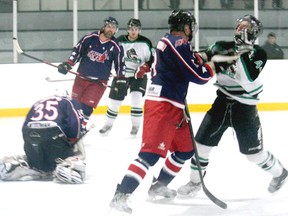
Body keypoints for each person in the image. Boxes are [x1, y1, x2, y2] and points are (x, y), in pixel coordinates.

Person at [108, 10, 233, 215]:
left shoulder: (171, 42)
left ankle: (159, 186)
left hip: (174, 105)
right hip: (163, 106)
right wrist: (215, 65)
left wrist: (206, 56)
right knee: (149, 155)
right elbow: (199, 76)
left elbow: (190, 61)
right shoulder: (178, 43)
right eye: (190, 25)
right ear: (185, 27)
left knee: (185, 149)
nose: (192, 29)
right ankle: (121, 195)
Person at [177, 15, 288, 198]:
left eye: (245, 27)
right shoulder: (221, 47)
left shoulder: (259, 53)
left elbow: (247, 78)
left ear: (253, 32)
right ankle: (195, 182)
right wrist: (177, 57)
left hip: (245, 109)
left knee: (253, 155)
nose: (239, 30)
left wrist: (243, 51)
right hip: (221, 104)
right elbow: (199, 58)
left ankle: (280, 173)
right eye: (239, 26)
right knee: (201, 145)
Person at [0, 91, 87, 184]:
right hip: (53, 135)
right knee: (70, 152)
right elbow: (75, 123)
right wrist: (72, 140)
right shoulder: (68, 101)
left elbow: (25, 126)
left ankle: (29, 165)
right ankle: (65, 166)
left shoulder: (39, 102)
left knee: (38, 162)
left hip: (30, 134)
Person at [57, 17, 126, 129]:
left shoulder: (116, 45)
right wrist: (68, 64)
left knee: (87, 107)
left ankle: (81, 128)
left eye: (114, 28)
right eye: (109, 27)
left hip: (98, 83)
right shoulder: (89, 38)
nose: (111, 30)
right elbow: (77, 51)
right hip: (81, 78)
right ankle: (70, 128)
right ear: (104, 26)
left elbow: (120, 64)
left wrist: (121, 79)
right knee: (74, 105)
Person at [99, 18, 154, 136]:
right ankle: (108, 124)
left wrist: (144, 68)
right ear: (127, 29)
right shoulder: (119, 41)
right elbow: (110, 57)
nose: (133, 31)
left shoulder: (146, 42)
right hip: (121, 74)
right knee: (115, 101)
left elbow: (152, 61)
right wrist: (107, 69)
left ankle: (135, 125)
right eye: (131, 29)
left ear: (139, 30)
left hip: (138, 76)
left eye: (136, 29)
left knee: (136, 99)